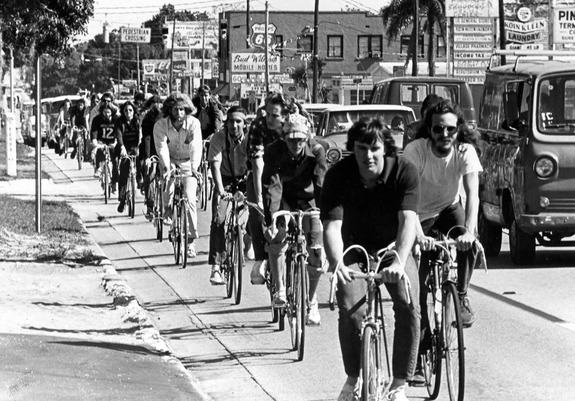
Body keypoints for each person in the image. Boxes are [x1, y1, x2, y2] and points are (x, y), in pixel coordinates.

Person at [322, 118, 420, 401]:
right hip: (353, 249)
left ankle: (399, 383)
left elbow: (408, 222)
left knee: (408, 305)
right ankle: (354, 378)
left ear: (386, 149)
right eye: (361, 148)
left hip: (392, 248)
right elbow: (332, 227)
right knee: (351, 309)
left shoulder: (404, 171)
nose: (368, 155)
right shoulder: (338, 174)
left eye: (374, 148)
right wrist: (336, 261)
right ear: (353, 149)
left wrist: (398, 263)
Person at [401, 100, 482, 382]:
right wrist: (418, 236)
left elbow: (473, 195)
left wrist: (469, 232)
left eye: (450, 129)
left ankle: (460, 295)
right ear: (429, 130)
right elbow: (405, 199)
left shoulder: (465, 151)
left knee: (470, 241)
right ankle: (421, 355)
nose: (444, 134)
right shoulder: (415, 151)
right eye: (438, 129)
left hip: (448, 209)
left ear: (458, 130)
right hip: (418, 214)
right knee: (419, 292)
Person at [261, 112, 327, 325]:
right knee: (277, 235)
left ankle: (312, 299)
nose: (295, 144)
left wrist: (325, 216)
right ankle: (280, 289)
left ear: (306, 137)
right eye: (291, 139)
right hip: (284, 198)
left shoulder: (317, 151)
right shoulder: (274, 151)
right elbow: (272, 184)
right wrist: (272, 217)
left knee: (316, 250)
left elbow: (320, 184)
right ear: (284, 137)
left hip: (309, 201)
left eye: (300, 139)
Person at [246, 92, 297, 285]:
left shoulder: (298, 122)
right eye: (267, 113)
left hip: (291, 174)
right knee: (257, 210)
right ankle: (261, 258)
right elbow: (257, 161)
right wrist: (259, 195)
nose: (268, 118)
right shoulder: (259, 126)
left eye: (273, 115)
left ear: (285, 116)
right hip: (263, 173)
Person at [153, 93, 203, 259]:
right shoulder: (161, 125)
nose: (179, 113)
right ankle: (167, 212)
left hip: (189, 162)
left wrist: (195, 167)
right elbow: (161, 148)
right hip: (170, 160)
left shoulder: (193, 124)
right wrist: (167, 167)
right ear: (169, 110)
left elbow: (196, 146)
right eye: (175, 109)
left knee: (189, 199)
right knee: (168, 186)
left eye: (182, 109)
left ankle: (189, 241)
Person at [207, 106, 250, 285]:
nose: (234, 125)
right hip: (224, 180)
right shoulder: (218, 138)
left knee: (257, 213)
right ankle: (216, 266)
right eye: (231, 121)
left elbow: (257, 164)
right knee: (219, 218)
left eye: (238, 121)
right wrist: (221, 191)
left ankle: (248, 243)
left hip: (246, 179)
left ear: (244, 124)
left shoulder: (250, 139)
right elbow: (215, 166)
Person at [115, 101, 142, 213]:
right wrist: (122, 148)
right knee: (124, 172)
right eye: (126, 110)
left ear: (134, 111)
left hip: (135, 146)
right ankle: (122, 199)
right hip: (124, 147)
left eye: (130, 110)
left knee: (141, 162)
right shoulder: (119, 121)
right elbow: (119, 135)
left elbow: (140, 134)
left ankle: (140, 180)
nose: (128, 113)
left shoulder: (137, 120)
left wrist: (139, 145)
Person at [139, 95, 163, 220]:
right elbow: (146, 138)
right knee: (150, 172)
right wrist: (148, 157)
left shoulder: (168, 119)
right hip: (151, 149)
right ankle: (150, 204)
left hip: (164, 149)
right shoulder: (148, 120)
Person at [91, 102, 120, 192]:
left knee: (115, 161)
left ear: (112, 112)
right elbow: (94, 132)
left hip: (113, 141)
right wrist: (95, 142)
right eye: (104, 112)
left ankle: (114, 181)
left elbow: (119, 133)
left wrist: (116, 143)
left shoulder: (116, 119)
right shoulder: (97, 119)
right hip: (101, 140)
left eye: (108, 112)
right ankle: (98, 169)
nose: (106, 114)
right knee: (99, 152)